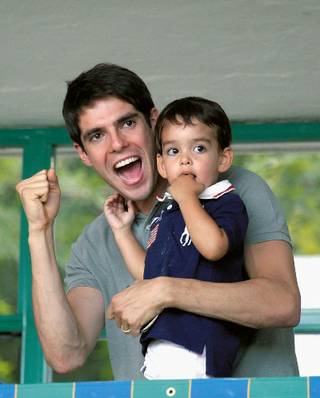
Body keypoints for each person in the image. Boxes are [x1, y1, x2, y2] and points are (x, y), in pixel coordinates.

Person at [16, 63, 300, 381]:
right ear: (83, 153)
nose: (117, 144)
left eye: (127, 123)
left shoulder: (236, 191)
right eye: (97, 135)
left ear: (153, 121)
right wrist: (38, 231)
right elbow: (65, 355)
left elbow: (283, 303)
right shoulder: (96, 242)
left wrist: (167, 291)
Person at [104, 96, 251, 379]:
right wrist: (122, 231)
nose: (185, 159)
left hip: (197, 344)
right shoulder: (167, 211)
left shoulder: (225, 201)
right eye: (173, 151)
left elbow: (214, 247)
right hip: (160, 343)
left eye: (199, 148)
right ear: (161, 165)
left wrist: (186, 198)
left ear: (223, 158)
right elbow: (151, 272)